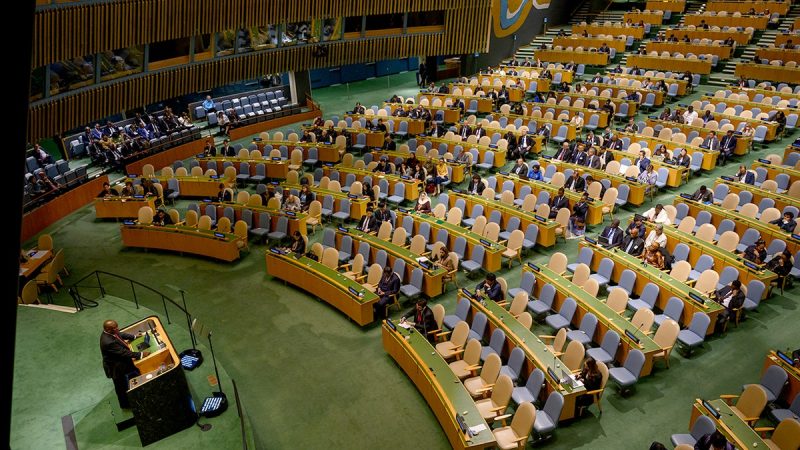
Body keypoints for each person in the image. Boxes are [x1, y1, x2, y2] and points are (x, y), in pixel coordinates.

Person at [100, 320, 150, 409]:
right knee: (121, 387)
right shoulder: (107, 342)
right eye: (114, 328)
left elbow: (120, 334)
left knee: (129, 379)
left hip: (120, 361)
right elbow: (124, 352)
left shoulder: (111, 332)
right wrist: (141, 354)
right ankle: (125, 405)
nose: (117, 329)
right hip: (115, 367)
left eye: (116, 327)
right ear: (107, 329)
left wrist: (134, 336)